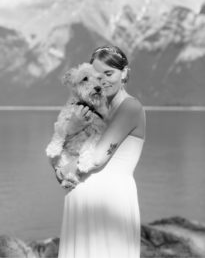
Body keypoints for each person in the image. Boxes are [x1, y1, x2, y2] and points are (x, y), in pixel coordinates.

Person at [54, 45, 146, 258]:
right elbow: (59, 151)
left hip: (110, 206)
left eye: (109, 73)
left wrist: (61, 171)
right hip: (80, 202)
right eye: (96, 75)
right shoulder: (89, 109)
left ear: (124, 73)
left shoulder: (130, 107)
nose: (102, 81)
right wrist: (73, 128)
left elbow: (96, 159)